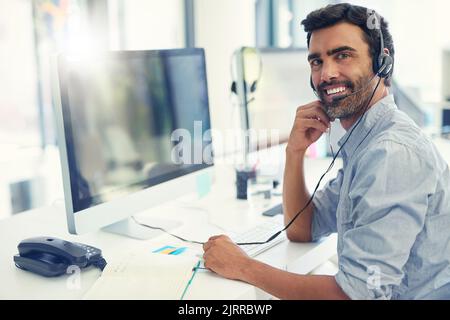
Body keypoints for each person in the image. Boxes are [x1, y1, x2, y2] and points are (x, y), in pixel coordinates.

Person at [202, 3, 450, 300]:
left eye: (343, 55)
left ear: (381, 63)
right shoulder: (365, 141)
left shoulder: (392, 154)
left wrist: (243, 266)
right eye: (316, 62)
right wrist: (294, 152)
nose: (326, 74)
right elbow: (303, 228)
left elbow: (352, 296)